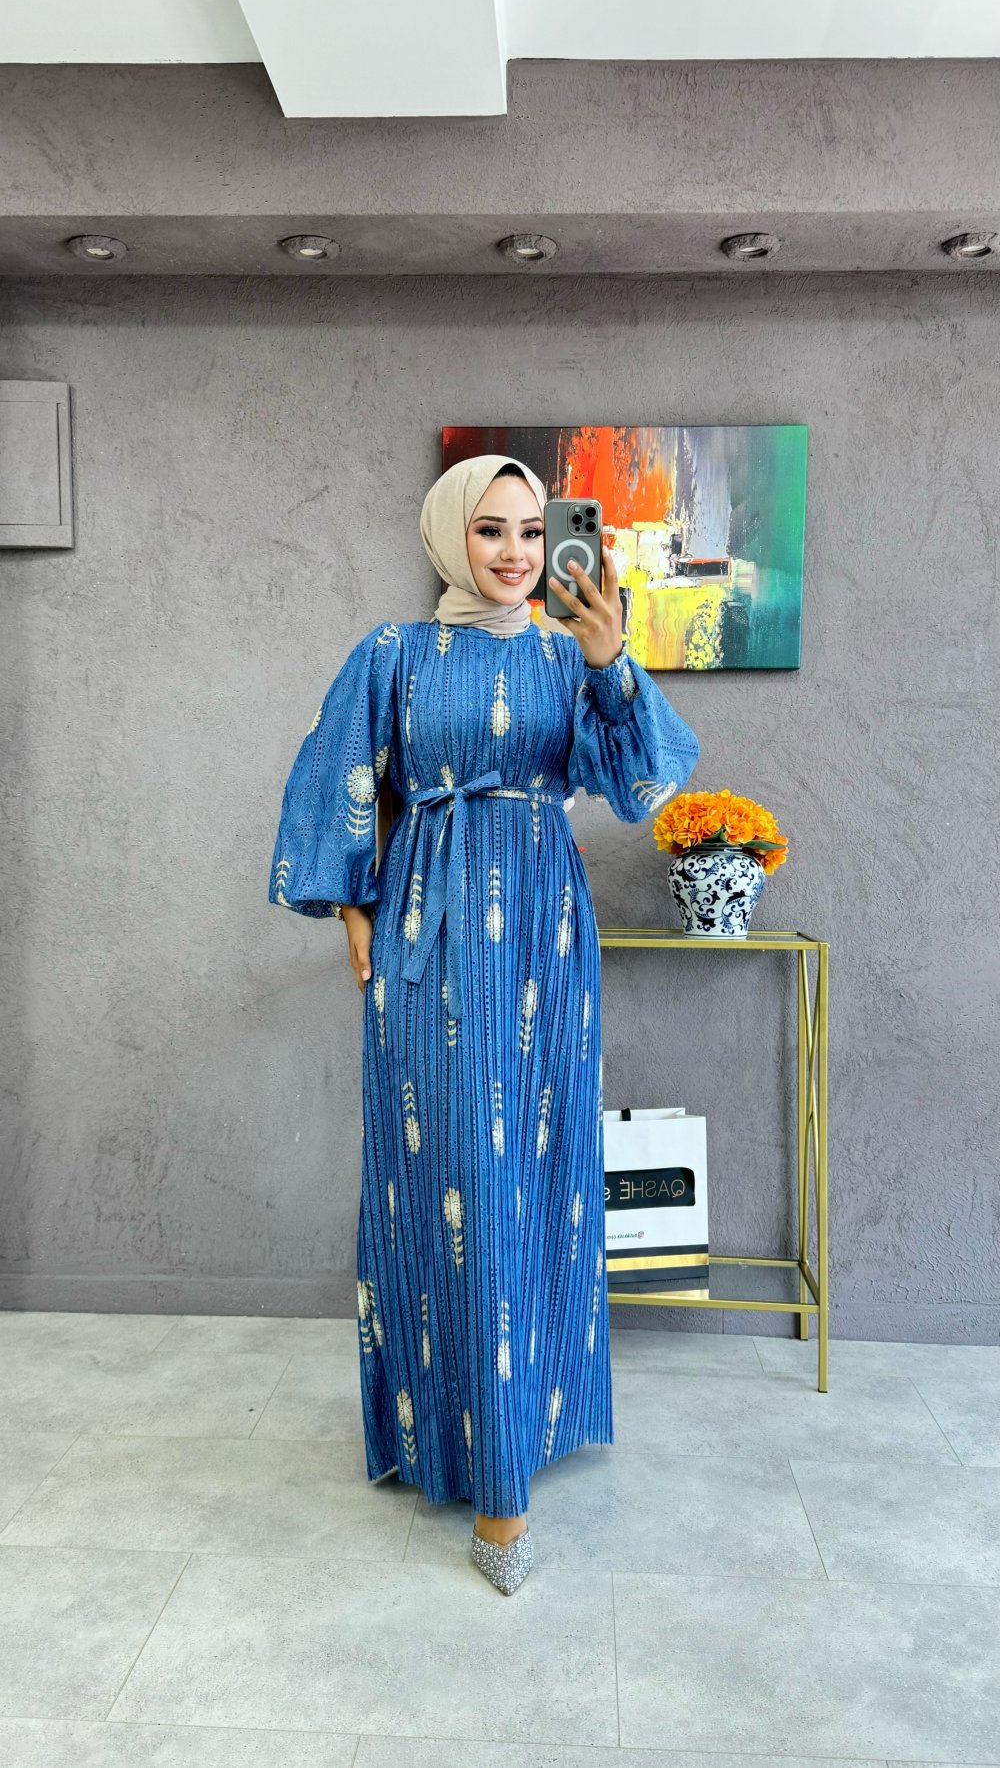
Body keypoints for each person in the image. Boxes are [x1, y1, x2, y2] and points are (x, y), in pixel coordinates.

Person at [268, 454, 700, 1593]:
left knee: (537, 1173)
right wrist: (352, 907)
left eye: (529, 531)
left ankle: (519, 1435)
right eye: (491, 530)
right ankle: (456, 1443)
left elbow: (640, 784)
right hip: (431, 930)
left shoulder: (566, 655)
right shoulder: (394, 654)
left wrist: (612, 663)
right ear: (449, 534)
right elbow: (335, 776)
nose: (514, 552)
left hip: (546, 941)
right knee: (447, 1172)